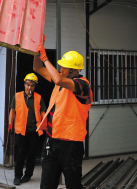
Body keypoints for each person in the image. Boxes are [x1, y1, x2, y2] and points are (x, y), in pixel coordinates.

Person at [34, 46, 93, 189]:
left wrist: (45, 58)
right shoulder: (61, 80)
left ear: (74, 70)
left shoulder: (82, 84)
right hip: (51, 141)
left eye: (64, 68)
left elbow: (58, 79)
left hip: (71, 145)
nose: (61, 69)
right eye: (60, 66)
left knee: (73, 185)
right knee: (47, 185)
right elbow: (37, 68)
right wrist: (36, 52)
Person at [9, 73, 46, 185]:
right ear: (24, 84)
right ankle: (17, 176)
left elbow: (43, 112)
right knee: (19, 154)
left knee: (31, 155)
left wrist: (45, 126)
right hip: (20, 131)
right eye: (27, 84)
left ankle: (28, 175)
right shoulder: (17, 96)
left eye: (32, 85)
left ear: (35, 86)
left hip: (34, 131)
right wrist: (10, 125)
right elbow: (12, 111)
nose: (29, 87)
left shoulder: (39, 97)